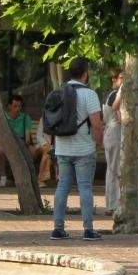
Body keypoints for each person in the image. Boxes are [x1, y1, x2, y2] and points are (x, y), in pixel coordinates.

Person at [49, 57, 105, 241]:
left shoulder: (59, 92)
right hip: (84, 149)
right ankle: (88, 229)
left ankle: (58, 228)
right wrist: (99, 142)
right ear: (85, 74)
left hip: (62, 147)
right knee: (85, 187)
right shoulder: (90, 95)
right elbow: (96, 124)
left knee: (62, 186)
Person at [0, 94, 35, 186]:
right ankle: (3, 178)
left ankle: (28, 177)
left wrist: (26, 145)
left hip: (21, 142)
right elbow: (1, 135)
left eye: (19, 106)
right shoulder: (4, 118)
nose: (17, 109)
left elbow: (27, 136)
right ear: (9, 106)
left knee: (33, 151)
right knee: (0, 150)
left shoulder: (25, 117)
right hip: (8, 142)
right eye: (15, 106)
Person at [102, 71, 124, 214]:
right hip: (115, 132)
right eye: (121, 77)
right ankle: (113, 204)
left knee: (113, 168)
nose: (124, 80)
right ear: (114, 79)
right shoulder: (115, 94)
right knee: (114, 169)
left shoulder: (112, 94)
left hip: (112, 132)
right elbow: (120, 117)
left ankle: (113, 203)